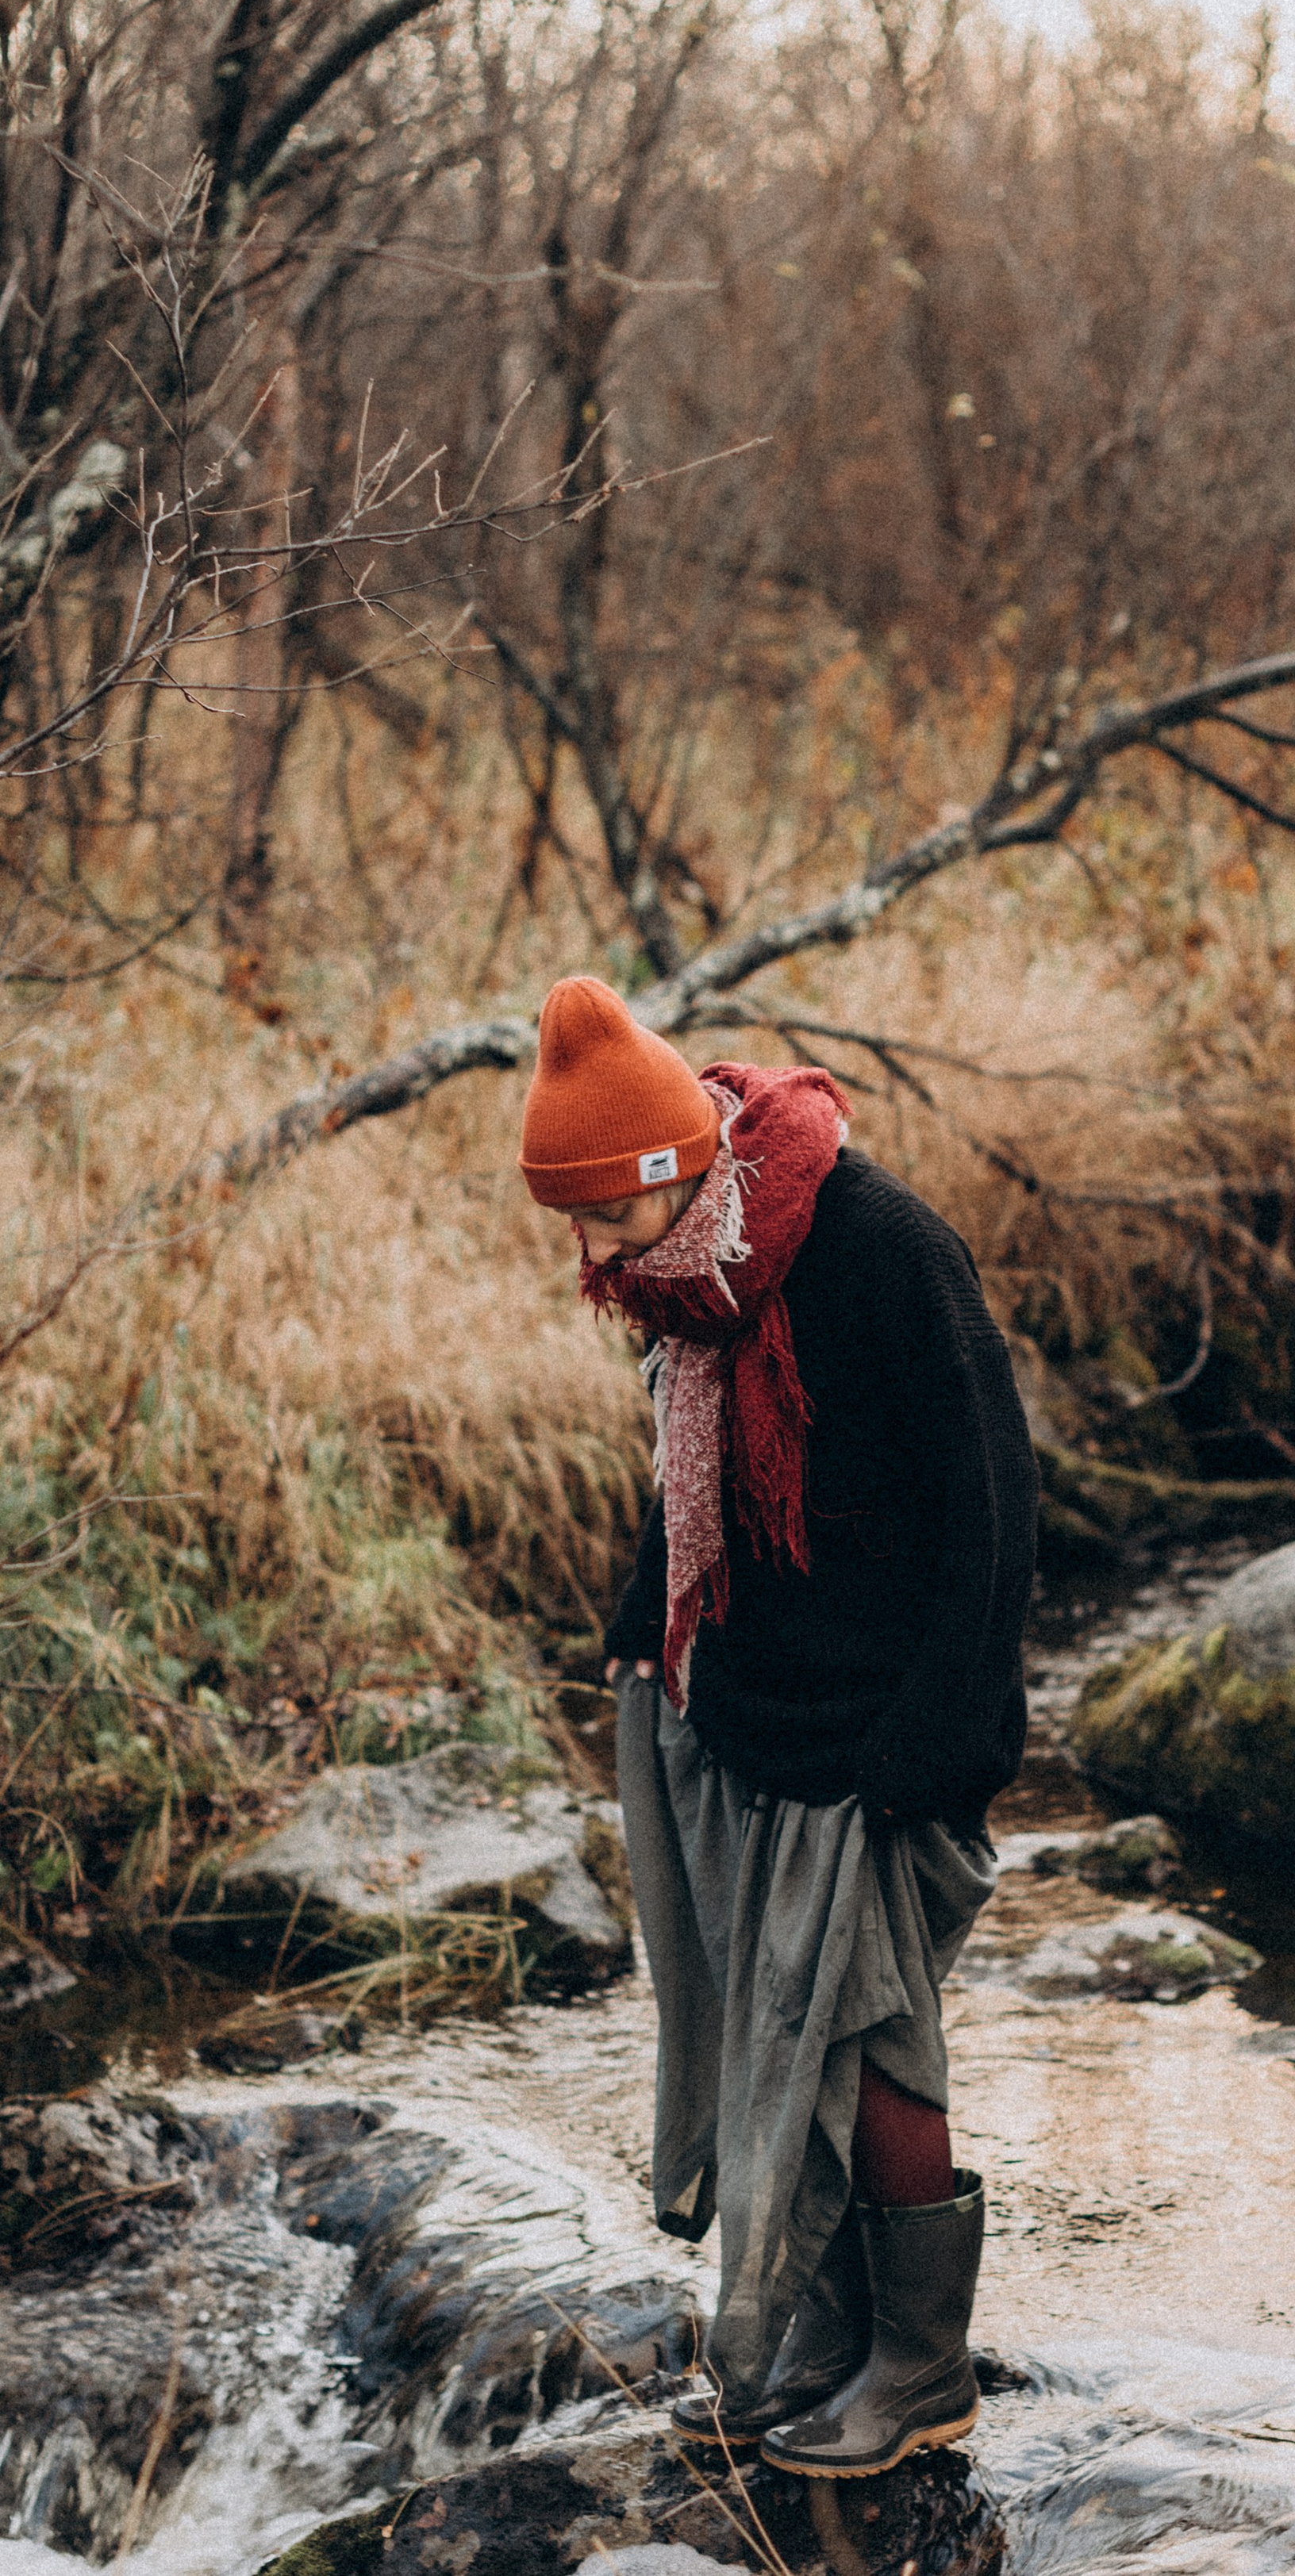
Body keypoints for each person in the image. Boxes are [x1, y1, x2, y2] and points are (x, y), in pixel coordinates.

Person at [517, 975, 1036, 2480]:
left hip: (879, 1730)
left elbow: (990, 1500)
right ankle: (819, 2331)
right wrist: (641, 1618)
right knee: (767, 2025)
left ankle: (923, 2371)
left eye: (600, 1213)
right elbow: (699, 1486)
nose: (590, 1251)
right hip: (751, 1705)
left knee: (866, 2034)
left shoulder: (880, 1251)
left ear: (673, 1167)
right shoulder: (689, 1278)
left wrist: (943, 1736)